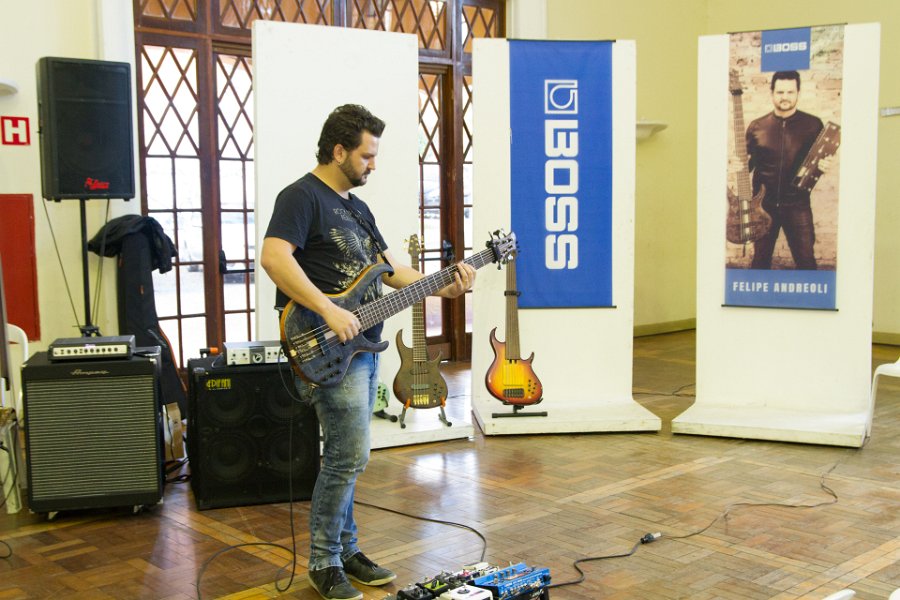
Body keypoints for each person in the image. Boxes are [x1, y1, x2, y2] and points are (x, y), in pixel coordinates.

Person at [260, 104, 476, 600]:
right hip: (326, 343)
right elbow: (273, 257)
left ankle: (347, 549)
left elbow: (389, 269)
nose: (373, 165)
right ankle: (324, 561)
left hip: (363, 348)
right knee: (348, 456)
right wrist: (327, 309)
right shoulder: (300, 197)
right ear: (338, 151)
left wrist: (442, 285)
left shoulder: (357, 207)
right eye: (366, 155)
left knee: (348, 456)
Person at [744, 70, 833, 270]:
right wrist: (736, 164)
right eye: (780, 92)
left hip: (797, 204)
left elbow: (818, 161)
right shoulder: (757, 127)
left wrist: (824, 166)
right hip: (763, 207)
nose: (785, 97)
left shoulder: (813, 125)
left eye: (790, 92)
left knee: (806, 262)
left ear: (798, 93)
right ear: (772, 93)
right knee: (759, 262)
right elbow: (747, 165)